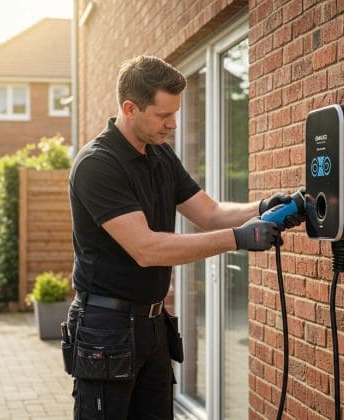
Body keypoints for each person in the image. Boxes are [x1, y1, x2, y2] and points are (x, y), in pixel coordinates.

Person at [65, 55, 301, 419]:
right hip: (105, 331)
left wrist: (265, 205)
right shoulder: (98, 164)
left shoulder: (160, 156)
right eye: (162, 116)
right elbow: (146, 248)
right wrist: (238, 238)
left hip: (154, 326)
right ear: (130, 108)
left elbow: (209, 212)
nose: (172, 124)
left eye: (175, 114)